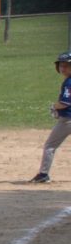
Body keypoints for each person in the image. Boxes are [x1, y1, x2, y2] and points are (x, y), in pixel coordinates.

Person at [28, 51, 71, 183]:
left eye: (66, 65)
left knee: (50, 146)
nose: (63, 68)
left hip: (67, 121)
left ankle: (43, 175)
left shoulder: (69, 82)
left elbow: (65, 103)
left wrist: (53, 107)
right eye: (61, 65)